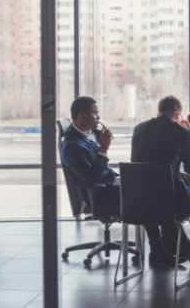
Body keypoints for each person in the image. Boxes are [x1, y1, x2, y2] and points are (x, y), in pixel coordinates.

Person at [131, 96, 190, 269]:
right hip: (168, 203)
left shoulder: (139, 128)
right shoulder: (182, 132)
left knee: (156, 201)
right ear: (178, 114)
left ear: (158, 111)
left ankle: (160, 251)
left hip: (138, 201)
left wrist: (178, 173)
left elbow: (143, 167)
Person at [60, 97, 140, 263]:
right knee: (143, 193)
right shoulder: (71, 146)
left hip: (107, 186)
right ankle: (159, 248)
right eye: (94, 113)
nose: (98, 117)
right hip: (97, 195)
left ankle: (160, 245)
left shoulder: (84, 134)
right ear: (81, 116)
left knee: (143, 182)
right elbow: (91, 179)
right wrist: (104, 148)